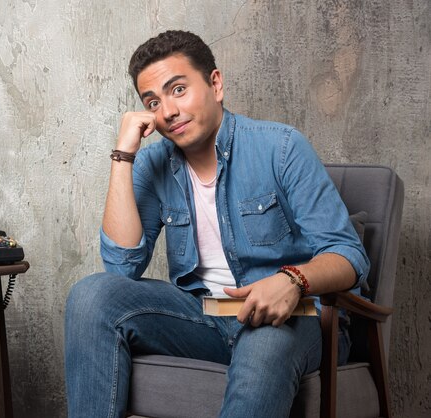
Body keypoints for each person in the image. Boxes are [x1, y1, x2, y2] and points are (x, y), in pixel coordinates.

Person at [64, 30, 369, 418]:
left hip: (295, 318)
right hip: (204, 316)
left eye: (178, 90)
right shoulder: (153, 164)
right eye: (153, 102)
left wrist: (293, 280)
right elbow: (122, 268)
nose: (168, 111)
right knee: (92, 295)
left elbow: (349, 255)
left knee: (264, 341)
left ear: (215, 83)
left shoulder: (281, 148)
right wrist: (123, 155)